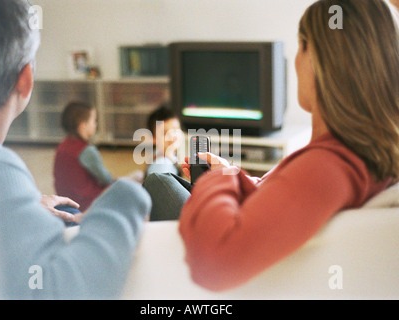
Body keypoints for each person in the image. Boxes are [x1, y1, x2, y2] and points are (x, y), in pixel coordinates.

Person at [143, 0, 399, 291]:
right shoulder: (358, 152)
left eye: (302, 45)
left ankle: (163, 155)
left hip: (217, 255)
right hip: (249, 233)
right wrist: (234, 176)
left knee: (157, 180)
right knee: (169, 176)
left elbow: (215, 262)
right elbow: (290, 199)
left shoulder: (329, 166)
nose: (296, 61)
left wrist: (217, 179)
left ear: (329, 62)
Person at [0, 0, 151, 299]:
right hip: (95, 203)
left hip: (59, 204)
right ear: (26, 80)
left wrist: (16, 207)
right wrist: (129, 192)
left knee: (66, 210)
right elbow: (63, 290)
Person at [54, 101, 116, 212]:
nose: (96, 124)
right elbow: (106, 179)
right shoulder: (87, 151)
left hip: (66, 201)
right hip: (87, 202)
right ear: (83, 126)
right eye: (94, 121)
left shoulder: (62, 146)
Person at [145, 104, 183, 178]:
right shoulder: (163, 165)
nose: (172, 136)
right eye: (165, 133)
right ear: (153, 138)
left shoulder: (171, 157)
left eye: (175, 130)